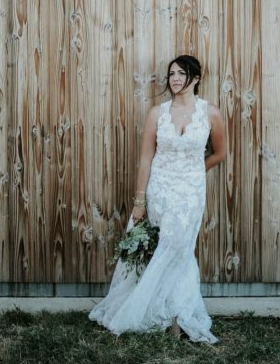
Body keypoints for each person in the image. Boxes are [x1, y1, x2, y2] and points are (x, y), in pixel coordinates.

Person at [89, 55, 226, 343]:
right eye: (172, 74)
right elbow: (145, 159)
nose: (175, 78)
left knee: (179, 247)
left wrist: (192, 172)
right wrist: (139, 201)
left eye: (182, 73)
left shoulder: (210, 113)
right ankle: (169, 314)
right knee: (166, 247)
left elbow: (219, 154)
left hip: (190, 192)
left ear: (197, 78)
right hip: (160, 189)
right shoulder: (158, 113)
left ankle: (178, 316)